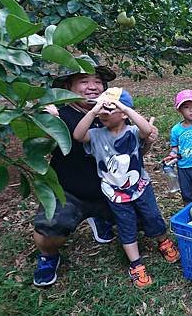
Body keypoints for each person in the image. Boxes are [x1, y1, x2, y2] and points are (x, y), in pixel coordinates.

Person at [32, 56, 172, 287]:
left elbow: (129, 158)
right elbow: (52, 136)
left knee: (145, 221)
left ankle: (100, 217)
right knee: (49, 229)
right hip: (71, 192)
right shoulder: (58, 114)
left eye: (97, 81)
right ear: (68, 87)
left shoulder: (112, 113)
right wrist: (48, 123)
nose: (92, 87)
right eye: (84, 81)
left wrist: (148, 142)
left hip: (112, 192)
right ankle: (48, 256)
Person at [73, 89, 179, 288]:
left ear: (123, 113)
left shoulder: (132, 132)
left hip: (140, 187)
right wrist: (94, 109)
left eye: (108, 108)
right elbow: (78, 135)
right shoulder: (95, 135)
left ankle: (163, 241)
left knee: (152, 216)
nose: (103, 112)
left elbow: (147, 131)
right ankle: (136, 264)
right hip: (115, 193)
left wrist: (123, 107)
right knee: (126, 224)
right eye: (100, 108)